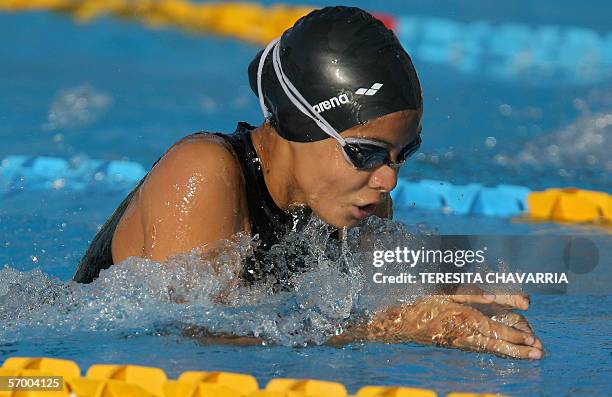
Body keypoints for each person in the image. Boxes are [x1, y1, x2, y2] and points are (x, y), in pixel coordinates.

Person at [73, 6, 543, 359]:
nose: (388, 180)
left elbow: (370, 288)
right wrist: (394, 325)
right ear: (300, 125)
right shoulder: (202, 171)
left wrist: (445, 286)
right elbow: (185, 339)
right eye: (366, 153)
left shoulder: (355, 199)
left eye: (403, 155)